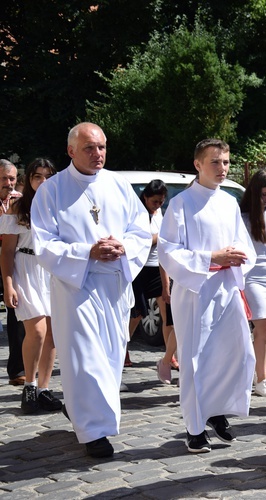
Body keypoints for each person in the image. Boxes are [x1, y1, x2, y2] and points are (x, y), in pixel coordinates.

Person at [31, 122, 151, 458]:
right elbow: (44, 244)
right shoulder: (51, 191)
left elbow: (141, 230)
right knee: (85, 357)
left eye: (102, 147)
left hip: (113, 284)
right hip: (76, 285)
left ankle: (81, 409)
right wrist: (87, 252)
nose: (97, 154)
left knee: (112, 355)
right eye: (89, 148)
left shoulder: (118, 185)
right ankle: (94, 432)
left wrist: (123, 245)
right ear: (71, 151)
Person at [158, 138, 257, 454]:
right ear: (198, 164)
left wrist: (238, 257)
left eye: (226, 162)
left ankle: (216, 411)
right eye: (216, 162)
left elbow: (244, 245)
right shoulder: (181, 204)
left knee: (233, 353)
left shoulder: (229, 202)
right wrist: (211, 257)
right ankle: (194, 427)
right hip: (196, 292)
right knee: (195, 358)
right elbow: (169, 252)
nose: (223, 168)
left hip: (227, 288)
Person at [0, 158, 62, 414]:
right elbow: (6, 251)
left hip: (52, 271)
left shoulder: (59, 207)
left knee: (52, 334)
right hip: (25, 268)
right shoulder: (17, 207)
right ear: (29, 180)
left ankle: (44, 389)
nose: (43, 182)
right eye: (38, 176)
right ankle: (29, 385)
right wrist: (8, 285)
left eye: (48, 176)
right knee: (35, 331)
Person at [124, 180, 176, 384]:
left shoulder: (162, 215)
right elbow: (140, 241)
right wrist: (159, 237)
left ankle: (169, 353)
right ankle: (123, 348)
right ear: (145, 197)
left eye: (162, 202)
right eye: (155, 201)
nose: (158, 205)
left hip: (159, 268)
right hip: (139, 269)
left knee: (168, 315)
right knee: (137, 315)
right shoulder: (137, 215)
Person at [239, 169, 266, 399]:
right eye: (264, 194)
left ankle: (253, 366)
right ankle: (261, 378)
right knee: (265, 329)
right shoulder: (243, 217)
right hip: (253, 276)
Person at [0, 159, 25, 386]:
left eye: (12, 179)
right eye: (4, 179)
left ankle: (17, 369)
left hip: (12, 260)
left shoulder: (20, 202)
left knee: (16, 314)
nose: (9, 183)